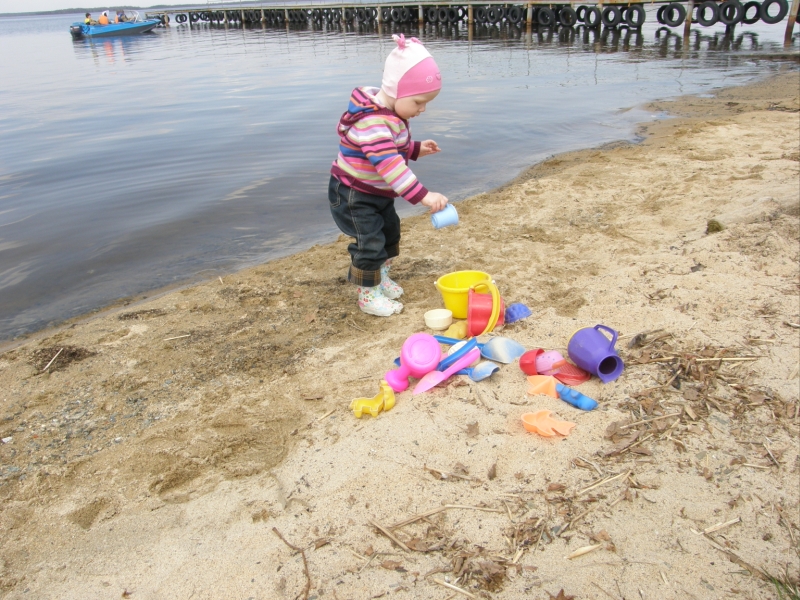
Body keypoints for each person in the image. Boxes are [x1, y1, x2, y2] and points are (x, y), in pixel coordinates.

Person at [328, 34, 448, 317]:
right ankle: (368, 295)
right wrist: (423, 196)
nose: (422, 109)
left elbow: (389, 148)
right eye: (418, 102)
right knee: (369, 243)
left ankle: (379, 278)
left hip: (377, 191)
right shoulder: (372, 121)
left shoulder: (390, 114)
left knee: (390, 234)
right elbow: (389, 165)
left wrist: (415, 149)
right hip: (354, 194)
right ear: (396, 91)